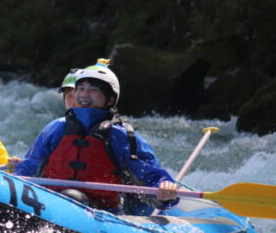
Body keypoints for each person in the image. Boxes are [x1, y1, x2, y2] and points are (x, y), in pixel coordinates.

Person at [15, 58, 178, 215]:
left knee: (72, 196)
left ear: (110, 99)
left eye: (93, 90)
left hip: (101, 213)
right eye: (80, 89)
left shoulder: (121, 136)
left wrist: (164, 190)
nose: (84, 95)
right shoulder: (56, 128)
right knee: (70, 196)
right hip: (49, 205)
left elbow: (150, 176)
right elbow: (29, 168)